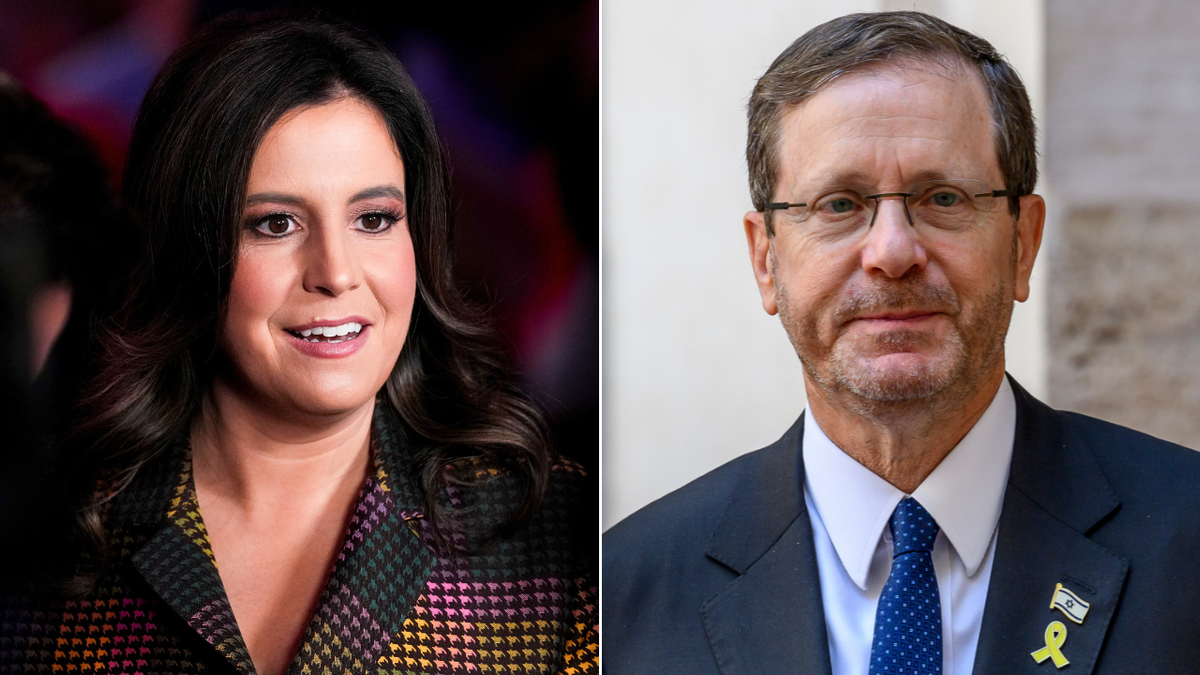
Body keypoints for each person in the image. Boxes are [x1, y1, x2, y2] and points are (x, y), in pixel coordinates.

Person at [603, 11, 1200, 674]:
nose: (892, 251)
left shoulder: (1189, 539)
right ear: (766, 259)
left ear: (1022, 243)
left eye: (942, 197)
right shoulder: (623, 591)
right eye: (840, 204)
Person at [0, 13, 596, 675]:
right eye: (275, 223)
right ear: (186, 248)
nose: (337, 272)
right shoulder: (50, 552)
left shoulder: (566, 544)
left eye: (374, 219)